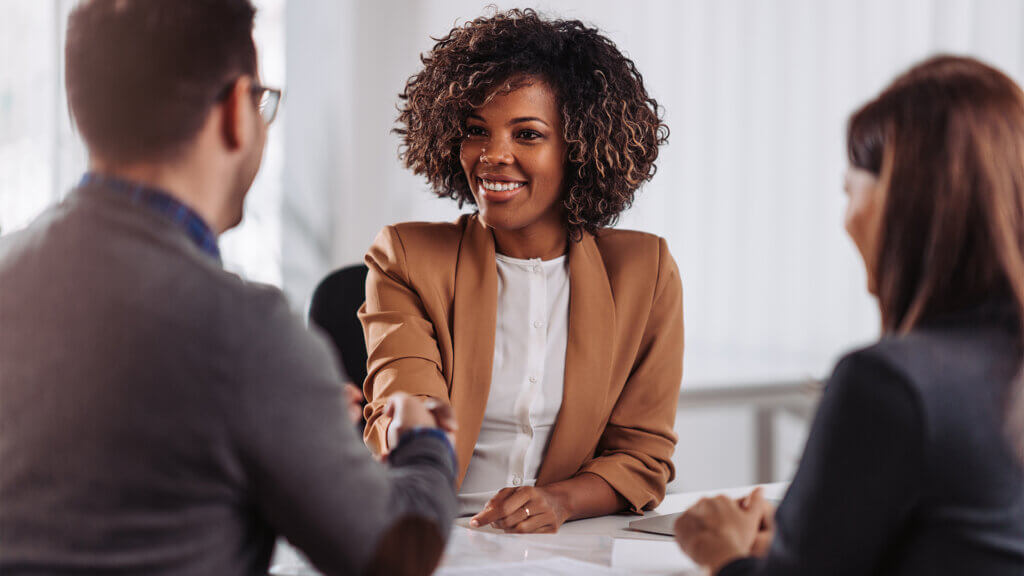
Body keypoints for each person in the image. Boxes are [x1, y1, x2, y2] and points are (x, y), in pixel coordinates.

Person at [0, 1, 456, 575]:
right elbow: (395, 553)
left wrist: (297, 419)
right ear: (240, 112)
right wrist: (423, 442)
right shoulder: (246, 332)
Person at [674, 55, 1024, 575]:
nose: (846, 218)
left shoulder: (890, 384)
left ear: (900, 200)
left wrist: (722, 551)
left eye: (849, 189)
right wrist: (810, 539)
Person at [359, 8, 682, 534]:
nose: (492, 155)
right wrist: (404, 429)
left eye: (526, 134)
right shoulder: (407, 258)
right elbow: (409, 402)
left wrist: (558, 501)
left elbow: (641, 456)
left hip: (568, 546)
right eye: (475, 130)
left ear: (578, 148)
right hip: (434, 537)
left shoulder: (644, 273)